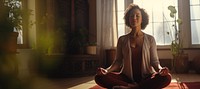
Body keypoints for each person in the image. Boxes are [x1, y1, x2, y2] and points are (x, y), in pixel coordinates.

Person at [94, 3, 171, 89]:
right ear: (128, 19)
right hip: (126, 78)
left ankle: (132, 87)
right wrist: (106, 70)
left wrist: (160, 70)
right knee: (99, 77)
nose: (134, 18)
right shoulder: (122, 39)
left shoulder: (150, 39)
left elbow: (154, 62)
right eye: (131, 16)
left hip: (146, 77)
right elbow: (118, 61)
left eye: (137, 16)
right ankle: (134, 86)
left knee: (167, 78)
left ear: (142, 19)